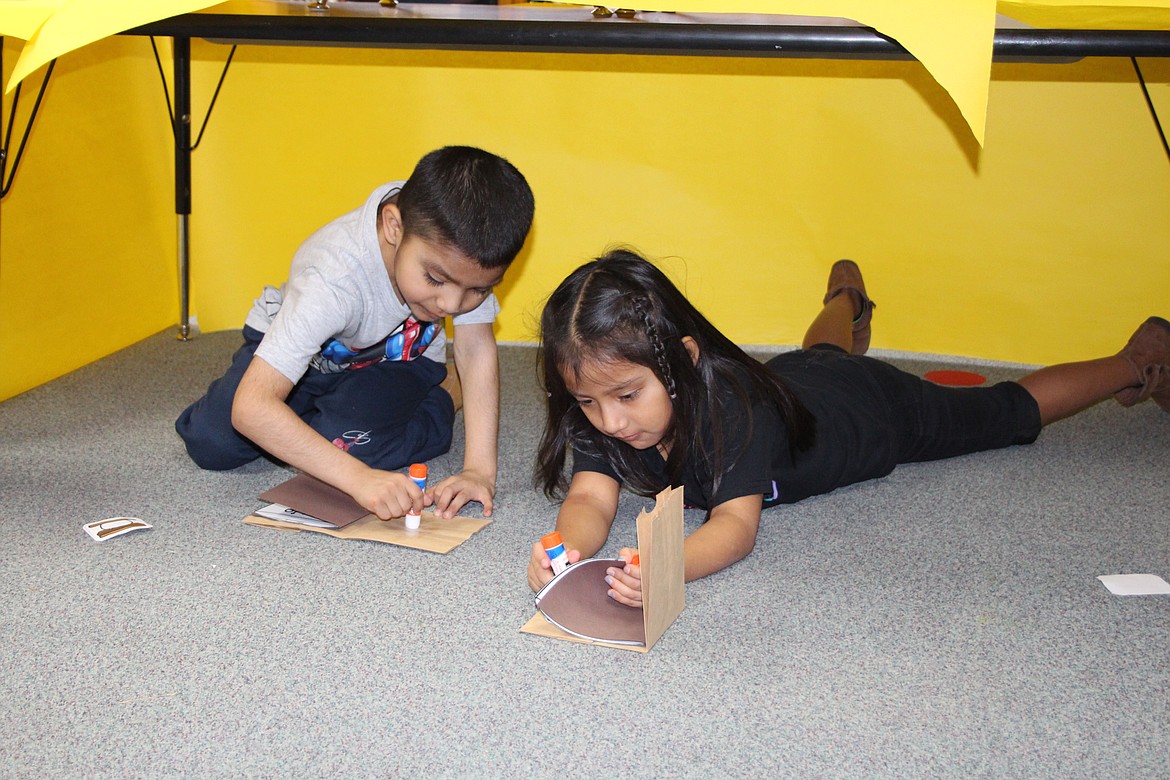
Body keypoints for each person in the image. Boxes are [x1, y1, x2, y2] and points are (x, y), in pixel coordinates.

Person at [526, 248, 1170, 605]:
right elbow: (589, 496)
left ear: (685, 361)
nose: (609, 420)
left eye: (628, 395)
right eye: (587, 401)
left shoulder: (729, 411)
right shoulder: (603, 404)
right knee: (820, 357)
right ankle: (846, 303)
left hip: (872, 415)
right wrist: (568, 553)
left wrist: (666, 566)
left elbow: (732, 529)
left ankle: (1136, 363)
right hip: (802, 381)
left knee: (1006, 412)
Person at [176, 146, 534, 521]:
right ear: (393, 227)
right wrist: (359, 480)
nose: (452, 304)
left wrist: (479, 471)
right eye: (435, 278)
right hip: (314, 360)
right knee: (212, 442)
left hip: (398, 359)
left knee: (342, 443)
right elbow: (251, 407)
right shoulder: (333, 276)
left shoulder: (458, 257)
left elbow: (475, 349)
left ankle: (446, 394)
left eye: (478, 290)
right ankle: (321, 413)